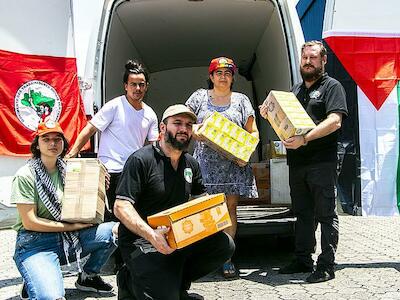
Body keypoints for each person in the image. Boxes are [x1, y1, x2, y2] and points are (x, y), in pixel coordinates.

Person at [114, 104, 235, 300]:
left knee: (223, 245)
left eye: (188, 125)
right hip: (143, 241)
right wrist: (152, 235)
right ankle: (129, 279)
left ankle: (174, 282)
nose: (183, 129)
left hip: (178, 237)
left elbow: (200, 200)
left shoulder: (190, 163)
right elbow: (121, 206)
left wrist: (213, 219)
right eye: (177, 123)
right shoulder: (141, 160)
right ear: (163, 128)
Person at [260, 40, 348, 283]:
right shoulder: (295, 91)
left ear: (323, 60)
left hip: (323, 160)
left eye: (313, 58)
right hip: (298, 162)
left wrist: (305, 139)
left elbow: (335, 121)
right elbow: (288, 124)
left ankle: (326, 265)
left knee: (326, 214)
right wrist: (269, 115)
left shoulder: (332, 87)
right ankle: (302, 259)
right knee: (303, 213)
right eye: (304, 58)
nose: (308, 62)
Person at [67, 60, 158, 272]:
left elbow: (153, 147)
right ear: (125, 85)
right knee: (113, 219)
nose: (137, 89)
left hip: (136, 173)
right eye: (133, 84)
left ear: (146, 86)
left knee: (135, 215)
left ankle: (130, 259)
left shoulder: (150, 114)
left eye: (142, 84)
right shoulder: (115, 106)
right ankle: (114, 263)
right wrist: (72, 154)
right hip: (112, 172)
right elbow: (90, 129)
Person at [11, 121, 117, 299]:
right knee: (52, 297)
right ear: (37, 144)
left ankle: (88, 277)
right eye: (46, 139)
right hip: (36, 244)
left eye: (57, 139)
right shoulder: (26, 175)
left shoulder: (72, 170)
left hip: (68, 238)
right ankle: (34, 276)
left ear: (63, 144)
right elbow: (30, 222)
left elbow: (82, 204)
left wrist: (98, 185)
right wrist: (73, 226)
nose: (52, 144)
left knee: (116, 231)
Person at [185, 57, 259, 278]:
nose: (223, 76)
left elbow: (253, 132)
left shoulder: (242, 100)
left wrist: (247, 152)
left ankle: (226, 257)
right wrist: (197, 131)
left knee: (230, 209)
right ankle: (204, 257)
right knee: (204, 210)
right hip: (204, 166)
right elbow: (184, 121)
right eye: (218, 72)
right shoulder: (198, 97)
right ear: (211, 76)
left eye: (227, 73)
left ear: (233, 77)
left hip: (233, 165)